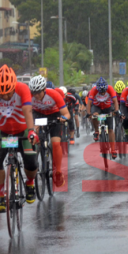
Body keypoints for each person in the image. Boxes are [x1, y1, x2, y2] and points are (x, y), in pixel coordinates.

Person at [0, 65, 39, 211]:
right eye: (1, 94)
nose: (5, 97)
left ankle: (30, 183)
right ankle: (1, 193)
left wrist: (31, 131)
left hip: (22, 130)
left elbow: (27, 111)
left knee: (31, 161)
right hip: (3, 131)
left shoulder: (22, 89)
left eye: (8, 94)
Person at [29, 75, 70, 188]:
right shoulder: (30, 96)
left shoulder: (53, 94)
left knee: (55, 143)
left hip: (54, 115)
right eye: (34, 93)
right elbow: (27, 113)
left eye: (38, 92)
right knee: (33, 134)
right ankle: (37, 152)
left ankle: (58, 171)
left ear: (44, 90)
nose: (36, 95)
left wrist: (63, 118)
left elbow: (66, 113)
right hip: (39, 115)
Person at [86, 77, 120, 159]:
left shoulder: (110, 89)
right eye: (100, 92)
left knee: (111, 129)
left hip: (107, 107)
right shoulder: (93, 90)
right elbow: (89, 103)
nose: (102, 93)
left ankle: (113, 149)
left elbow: (115, 101)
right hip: (97, 106)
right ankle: (97, 131)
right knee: (94, 116)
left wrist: (116, 111)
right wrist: (88, 113)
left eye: (104, 91)